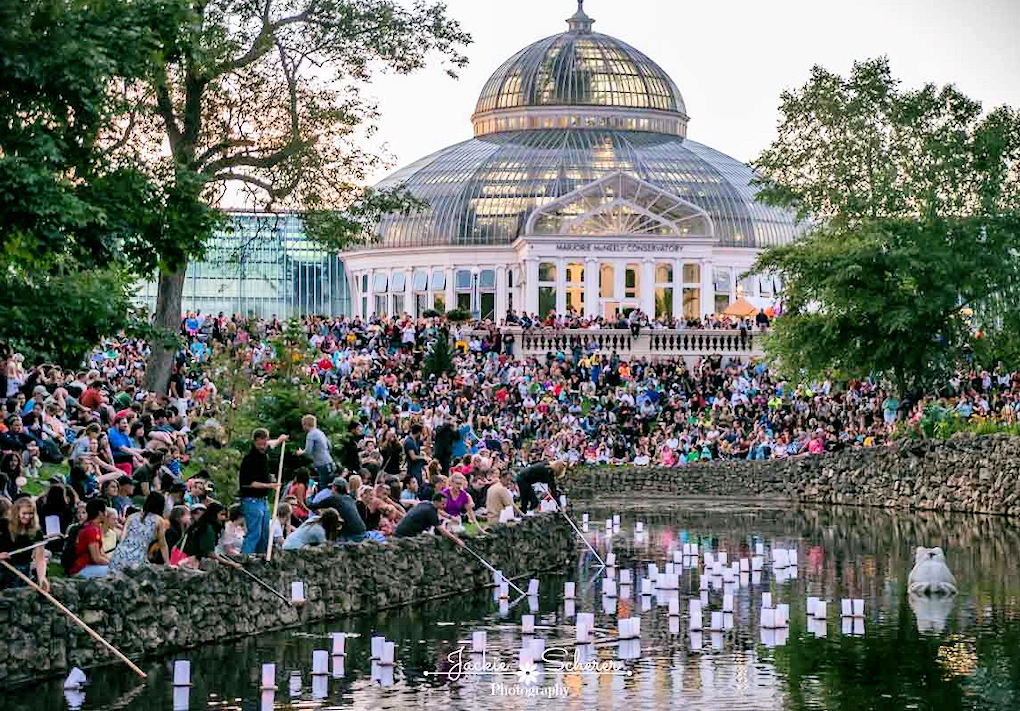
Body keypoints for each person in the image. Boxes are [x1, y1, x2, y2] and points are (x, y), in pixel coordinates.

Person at [238, 428, 288, 556]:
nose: (262, 446)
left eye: (264, 443)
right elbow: (251, 483)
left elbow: (271, 444)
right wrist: (270, 485)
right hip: (251, 500)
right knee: (255, 533)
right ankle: (245, 558)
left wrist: (280, 440)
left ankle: (261, 557)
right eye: (259, 444)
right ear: (254, 441)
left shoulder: (264, 449)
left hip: (263, 501)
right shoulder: (250, 459)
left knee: (265, 533)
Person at [109, 492, 171, 572]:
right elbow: (163, 545)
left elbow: (122, 538)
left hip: (119, 554)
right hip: (137, 558)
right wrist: (168, 564)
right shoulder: (159, 521)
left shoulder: (131, 516)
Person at [0, 497, 50, 591]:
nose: (27, 517)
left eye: (30, 513)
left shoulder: (36, 532)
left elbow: (40, 558)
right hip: (3, 568)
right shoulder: (3, 525)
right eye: (24, 513)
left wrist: (42, 578)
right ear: (16, 512)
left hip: (22, 572)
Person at [395, 492, 464, 547]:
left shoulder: (426, 503)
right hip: (405, 535)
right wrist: (457, 540)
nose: (445, 506)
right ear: (436, 502)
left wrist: (451, 517)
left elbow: (439, 511)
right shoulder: (430, 512)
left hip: (399, 529)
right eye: (443, 504)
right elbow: (442, 530)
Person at [308, 477, 366, 541]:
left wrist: (308, 495)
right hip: (362, 531)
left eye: (332, 487)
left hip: (351, 535)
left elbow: (312, 506)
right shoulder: (349, 498)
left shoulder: (334, 499)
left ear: (335, 487)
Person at [70, 499, 111, 578]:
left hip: (89, 566)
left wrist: (112, 562)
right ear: (100, 513)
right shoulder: (91, 530)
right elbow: (96, 558)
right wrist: (112, 565)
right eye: (105, 511)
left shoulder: (95, 527)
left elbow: (101, 553)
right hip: (81, 569)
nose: (106, 514)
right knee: (114, 572)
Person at [296, 414, 333, 488]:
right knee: (330, 485)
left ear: (306, 424)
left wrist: (301, 452)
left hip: (321, 464)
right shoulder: (320, 432)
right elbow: (329, 446)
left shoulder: (311, 434)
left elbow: (308, 451)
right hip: (329, 461)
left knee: (323, 486)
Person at [404, 424, 426, 489]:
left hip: (418, 467)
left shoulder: (416, 441)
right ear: (419, 432)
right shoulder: (409, 442)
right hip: (412, 469)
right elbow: (413, 457)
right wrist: (423, 458)